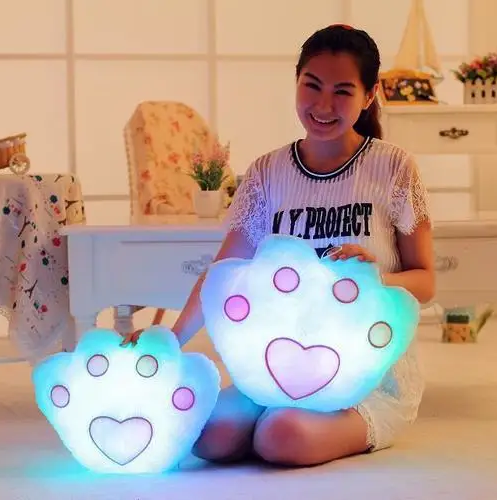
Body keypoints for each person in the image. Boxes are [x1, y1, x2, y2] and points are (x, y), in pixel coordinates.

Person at [125, 24, 435, 467]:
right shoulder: (267, 173)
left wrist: (374, 279)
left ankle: (286, 422)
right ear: (296, 82)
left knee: (281, 436)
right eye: (312, 86)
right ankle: (271, 412)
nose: (323, 105)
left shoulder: (394, 168)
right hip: (273, 366)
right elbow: (223, 271)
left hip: (366, 376)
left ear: (369, 96)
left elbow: (425, 281)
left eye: (342, 92)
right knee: (207, 437)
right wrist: (171, 339)